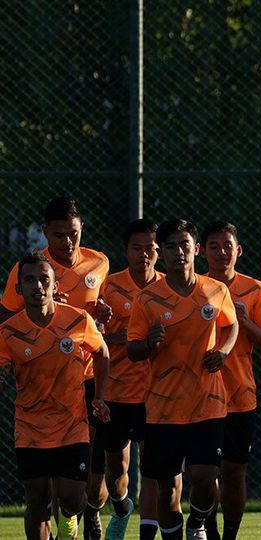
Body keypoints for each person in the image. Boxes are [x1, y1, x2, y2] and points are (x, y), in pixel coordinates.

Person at [0, 197, 112, 539]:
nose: (67, 241)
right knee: (38, 493)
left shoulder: (98, 263)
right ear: (46, 233)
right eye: (59, 235)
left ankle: (84, 512)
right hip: (35, 385)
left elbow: (103, 338)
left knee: (82, 483)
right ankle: (62, 521)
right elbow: (6, 319)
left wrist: (103, 313)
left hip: (84, 378)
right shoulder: (30, 268)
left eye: (73, 233)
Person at [127, 219, 239, 540]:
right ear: (161, 254)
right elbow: (134, 350)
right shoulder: (147, 300)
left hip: (208, 403)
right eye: (172, 246)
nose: (180, 252)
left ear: (196, 250)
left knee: (205, 478)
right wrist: (148, 342)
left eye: (185, 245)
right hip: (164, 408)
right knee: (167, 490)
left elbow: (231, 326)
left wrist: (224, 351)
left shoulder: (215, 290)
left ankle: (198, 521)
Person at [100, 219, 180, 540]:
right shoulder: (109, 287)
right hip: (116, 392)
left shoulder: (169, 287)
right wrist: (116, 335)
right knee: (117, 472)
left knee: (154, 470)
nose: (144, 255)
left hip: (155, 394)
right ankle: (121, 507)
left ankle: (148, 533)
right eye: (137, 248)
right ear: (125, 251)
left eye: (151, 248)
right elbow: (92, 336)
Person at [201, 220, 261, 540]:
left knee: (234, 472)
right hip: (198, 397)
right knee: (204, 475)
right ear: (201, 251)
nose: (221, 252)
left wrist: (244, 321)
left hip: (239, 395)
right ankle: (208, 530)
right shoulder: (193, 287)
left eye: (227, 246)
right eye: (214, 246)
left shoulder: (256, 290)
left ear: (239, 250)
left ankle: (229, 535)